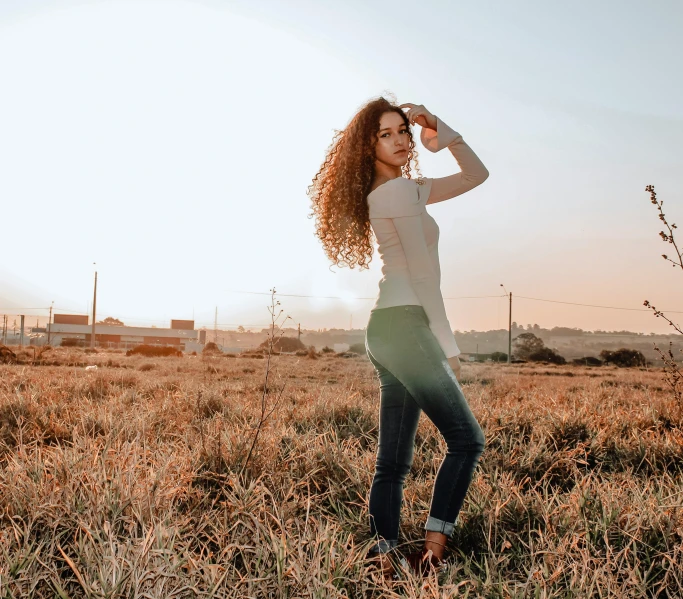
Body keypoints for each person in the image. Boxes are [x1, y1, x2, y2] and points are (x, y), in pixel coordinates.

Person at [307, 96, 489, 580]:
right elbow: (424, 276)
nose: (399, 140)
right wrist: (448, 345)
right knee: (467, 441)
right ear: (367, 147)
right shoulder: (394, 196)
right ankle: (433, 552)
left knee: (393, 461)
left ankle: (386, 555)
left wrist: (438, 128)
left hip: (385, 327)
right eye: (385, 134)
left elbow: (475, 175)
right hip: (406, 324)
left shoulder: (403, 191)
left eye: (402, 131)